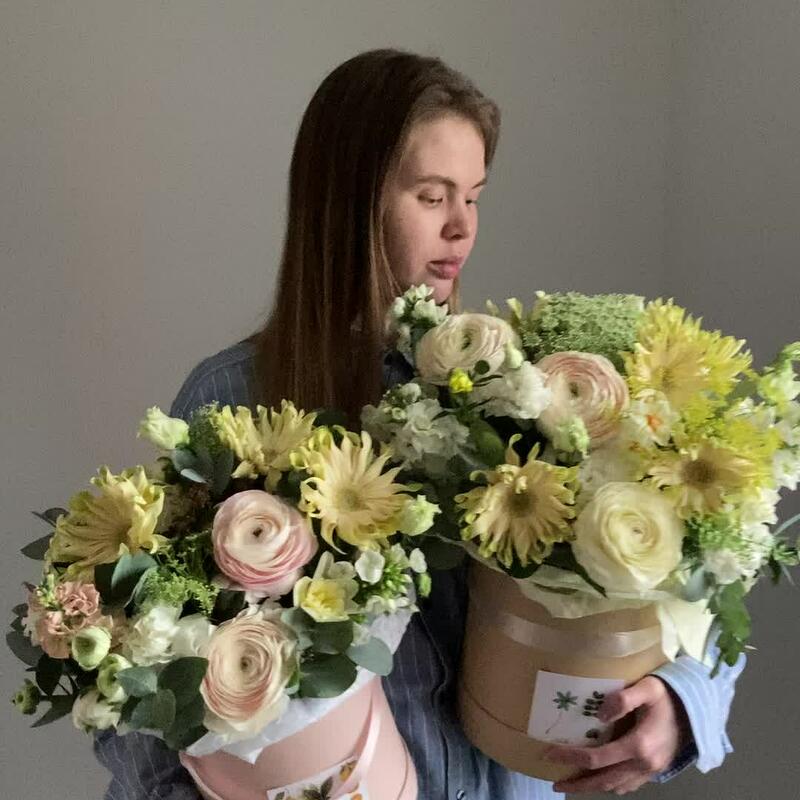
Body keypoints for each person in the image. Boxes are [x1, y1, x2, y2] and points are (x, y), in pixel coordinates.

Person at [94, 48, 746, 799]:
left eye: (474, 196)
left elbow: (697, 578)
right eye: (432, 196)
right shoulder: (230, 404)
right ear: (348, 204)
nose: (462, 226)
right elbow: (130, 691)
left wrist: (683, 703)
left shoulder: (536, 392)